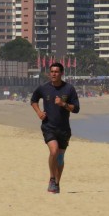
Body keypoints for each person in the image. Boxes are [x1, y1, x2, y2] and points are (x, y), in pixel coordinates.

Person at [30, 62, 80, 194]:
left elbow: (76, 109)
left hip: (64, 129)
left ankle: (57, 183)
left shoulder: (69, 89)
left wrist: (63, 104)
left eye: (56, 72)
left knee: (60, 158)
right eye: (51, 71)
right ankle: (52, 178)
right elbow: (33, 100)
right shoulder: (44, 88)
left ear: (61, 73)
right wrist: (39, 112)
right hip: (48, 126)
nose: (53, 74)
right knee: (54, 151)